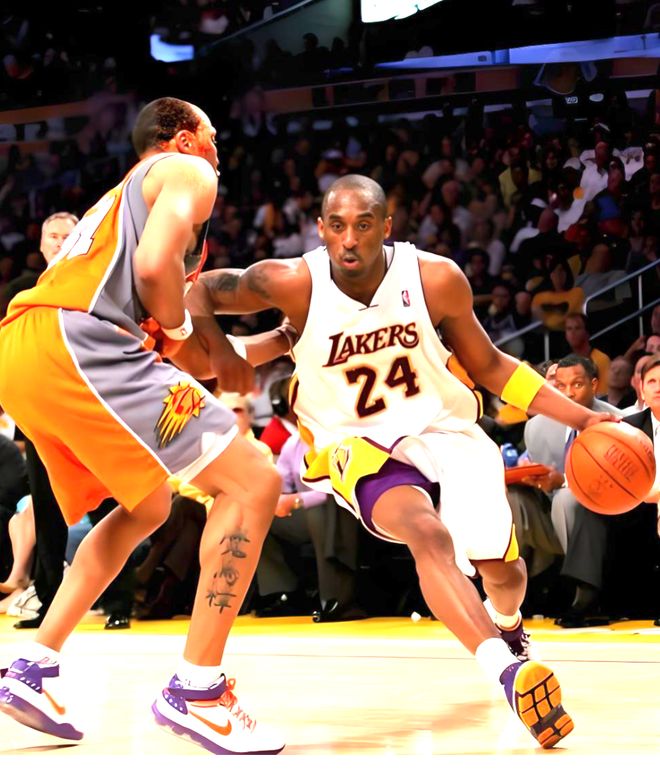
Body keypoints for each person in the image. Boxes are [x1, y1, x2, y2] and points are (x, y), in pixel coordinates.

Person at [186, 173, 619, 749]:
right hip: (352, 439)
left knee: (504, 573)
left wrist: (584, 419)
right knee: (425, 532)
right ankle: (507, 672)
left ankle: (508, 626)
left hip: (442, 426)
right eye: (337, 226)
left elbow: (492, 366)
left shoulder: (435, 277)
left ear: (386, 226)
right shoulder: (291, 281)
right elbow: (199, 291)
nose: (349, 239)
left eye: (364, 225)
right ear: (320, 229)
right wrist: (220, 348)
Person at [0, 97, 290, 755]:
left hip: (28, 348)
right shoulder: (186, 173)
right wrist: (186, 323)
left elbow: (188, 357)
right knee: (253, 481)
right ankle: (199, 689)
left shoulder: (123, 211)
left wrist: (282, 340)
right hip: (81, 344)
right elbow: (157, 273)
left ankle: (34, 665)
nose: (218, 150)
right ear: (184, 139)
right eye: (210, 135)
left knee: (150, 504)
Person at [2, 212, 78, 630]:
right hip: (38, 413)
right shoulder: (20, 290)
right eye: (53, 235)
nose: (60, 241)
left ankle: (120, 602)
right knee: (46, 506)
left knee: (108, 504)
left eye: (68, 235)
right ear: (41, 242)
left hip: (85, 409)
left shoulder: (94, 283)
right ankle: (49, 603)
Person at [507, 355, 623, 627]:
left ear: (594, 385)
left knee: (567, 497)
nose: (568, 393)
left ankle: (585, 595)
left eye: (577, 384)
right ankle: (511, 592)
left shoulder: (617, 422)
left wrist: (562, 482)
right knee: (512, 498)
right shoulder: (536, 425)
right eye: (561, 386)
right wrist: (527, 477)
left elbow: (618, 485)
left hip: (603, 522)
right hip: (552, 519)